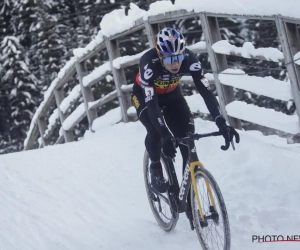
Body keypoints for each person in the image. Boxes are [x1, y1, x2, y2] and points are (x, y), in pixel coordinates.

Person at [131, 27, 240, 193]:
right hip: (145, 96)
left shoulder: (190, 59)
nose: (175, 64)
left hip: (172, 96)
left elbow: (206, 93)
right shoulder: (148, 62)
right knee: (155, 132)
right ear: (160, 55)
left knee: (187, 140)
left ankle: (188, 196)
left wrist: (221, 122)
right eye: (169, 59)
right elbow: (152, 103)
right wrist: (165, 134)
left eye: (179, 57)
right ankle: (155, 167)